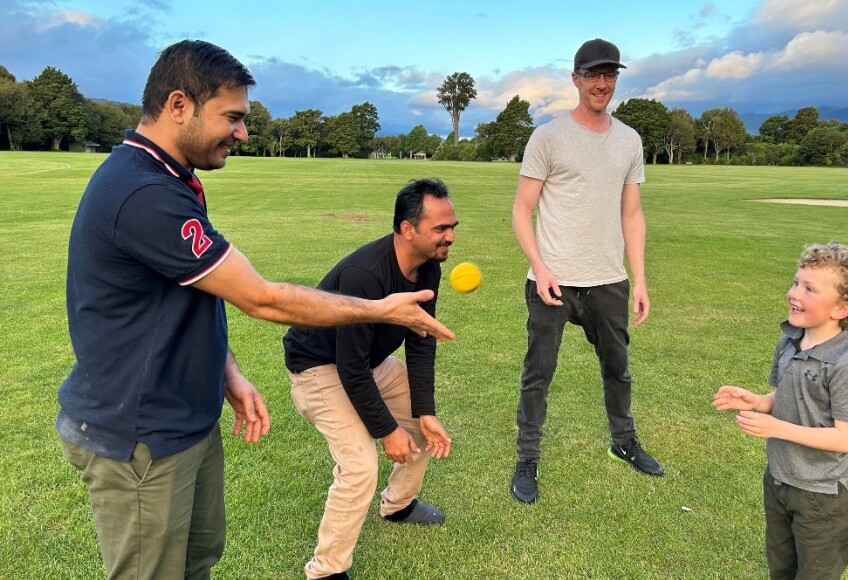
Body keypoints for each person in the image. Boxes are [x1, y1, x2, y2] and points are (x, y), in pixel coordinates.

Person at [56, 40, 453, 580]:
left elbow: (190, 295)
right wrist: (381, 309)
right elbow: (260, 297)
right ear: (179, 105)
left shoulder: (172, 182)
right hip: (139, 433)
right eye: (233, 117)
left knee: (196, 561)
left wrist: (229, 373)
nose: (243, 132)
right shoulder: (141, 192)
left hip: (184, 420)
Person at [509, 37, 663, 504]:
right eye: (593, 75)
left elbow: (632, 214)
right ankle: (527, 458)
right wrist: (540, 267)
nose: (602, 83)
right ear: (575, 79)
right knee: (539, 373)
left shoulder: (629, 140)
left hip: (608, 281)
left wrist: (639, 279)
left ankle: (624, 441)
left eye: (610, 75)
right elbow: (521, 210)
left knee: (618, 369)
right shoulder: (549, 137)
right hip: (552, 282)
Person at [283, 178, 457, 580]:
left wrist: (424, 411)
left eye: (452, 228)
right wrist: (386, 431)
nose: (449, 237)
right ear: (407, 229)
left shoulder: (429, 266)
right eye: (440, 229)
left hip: (368, 363)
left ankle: (398, 505)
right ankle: (326, 571)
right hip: (318, 368)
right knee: (361, 465)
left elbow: (420, 339)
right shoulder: (366, 273)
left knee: (422, 426)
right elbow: (350, 368)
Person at [712, 241, 848, 580]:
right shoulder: (791, 341)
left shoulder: (847, 367)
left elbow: (846, 438)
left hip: (823, 497)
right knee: (782, 568)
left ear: (841, 309)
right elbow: (786, 398)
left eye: (809, 289)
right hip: (779, 481)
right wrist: (758, 402)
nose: (794, 293)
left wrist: (777, 428)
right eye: (796, 282)